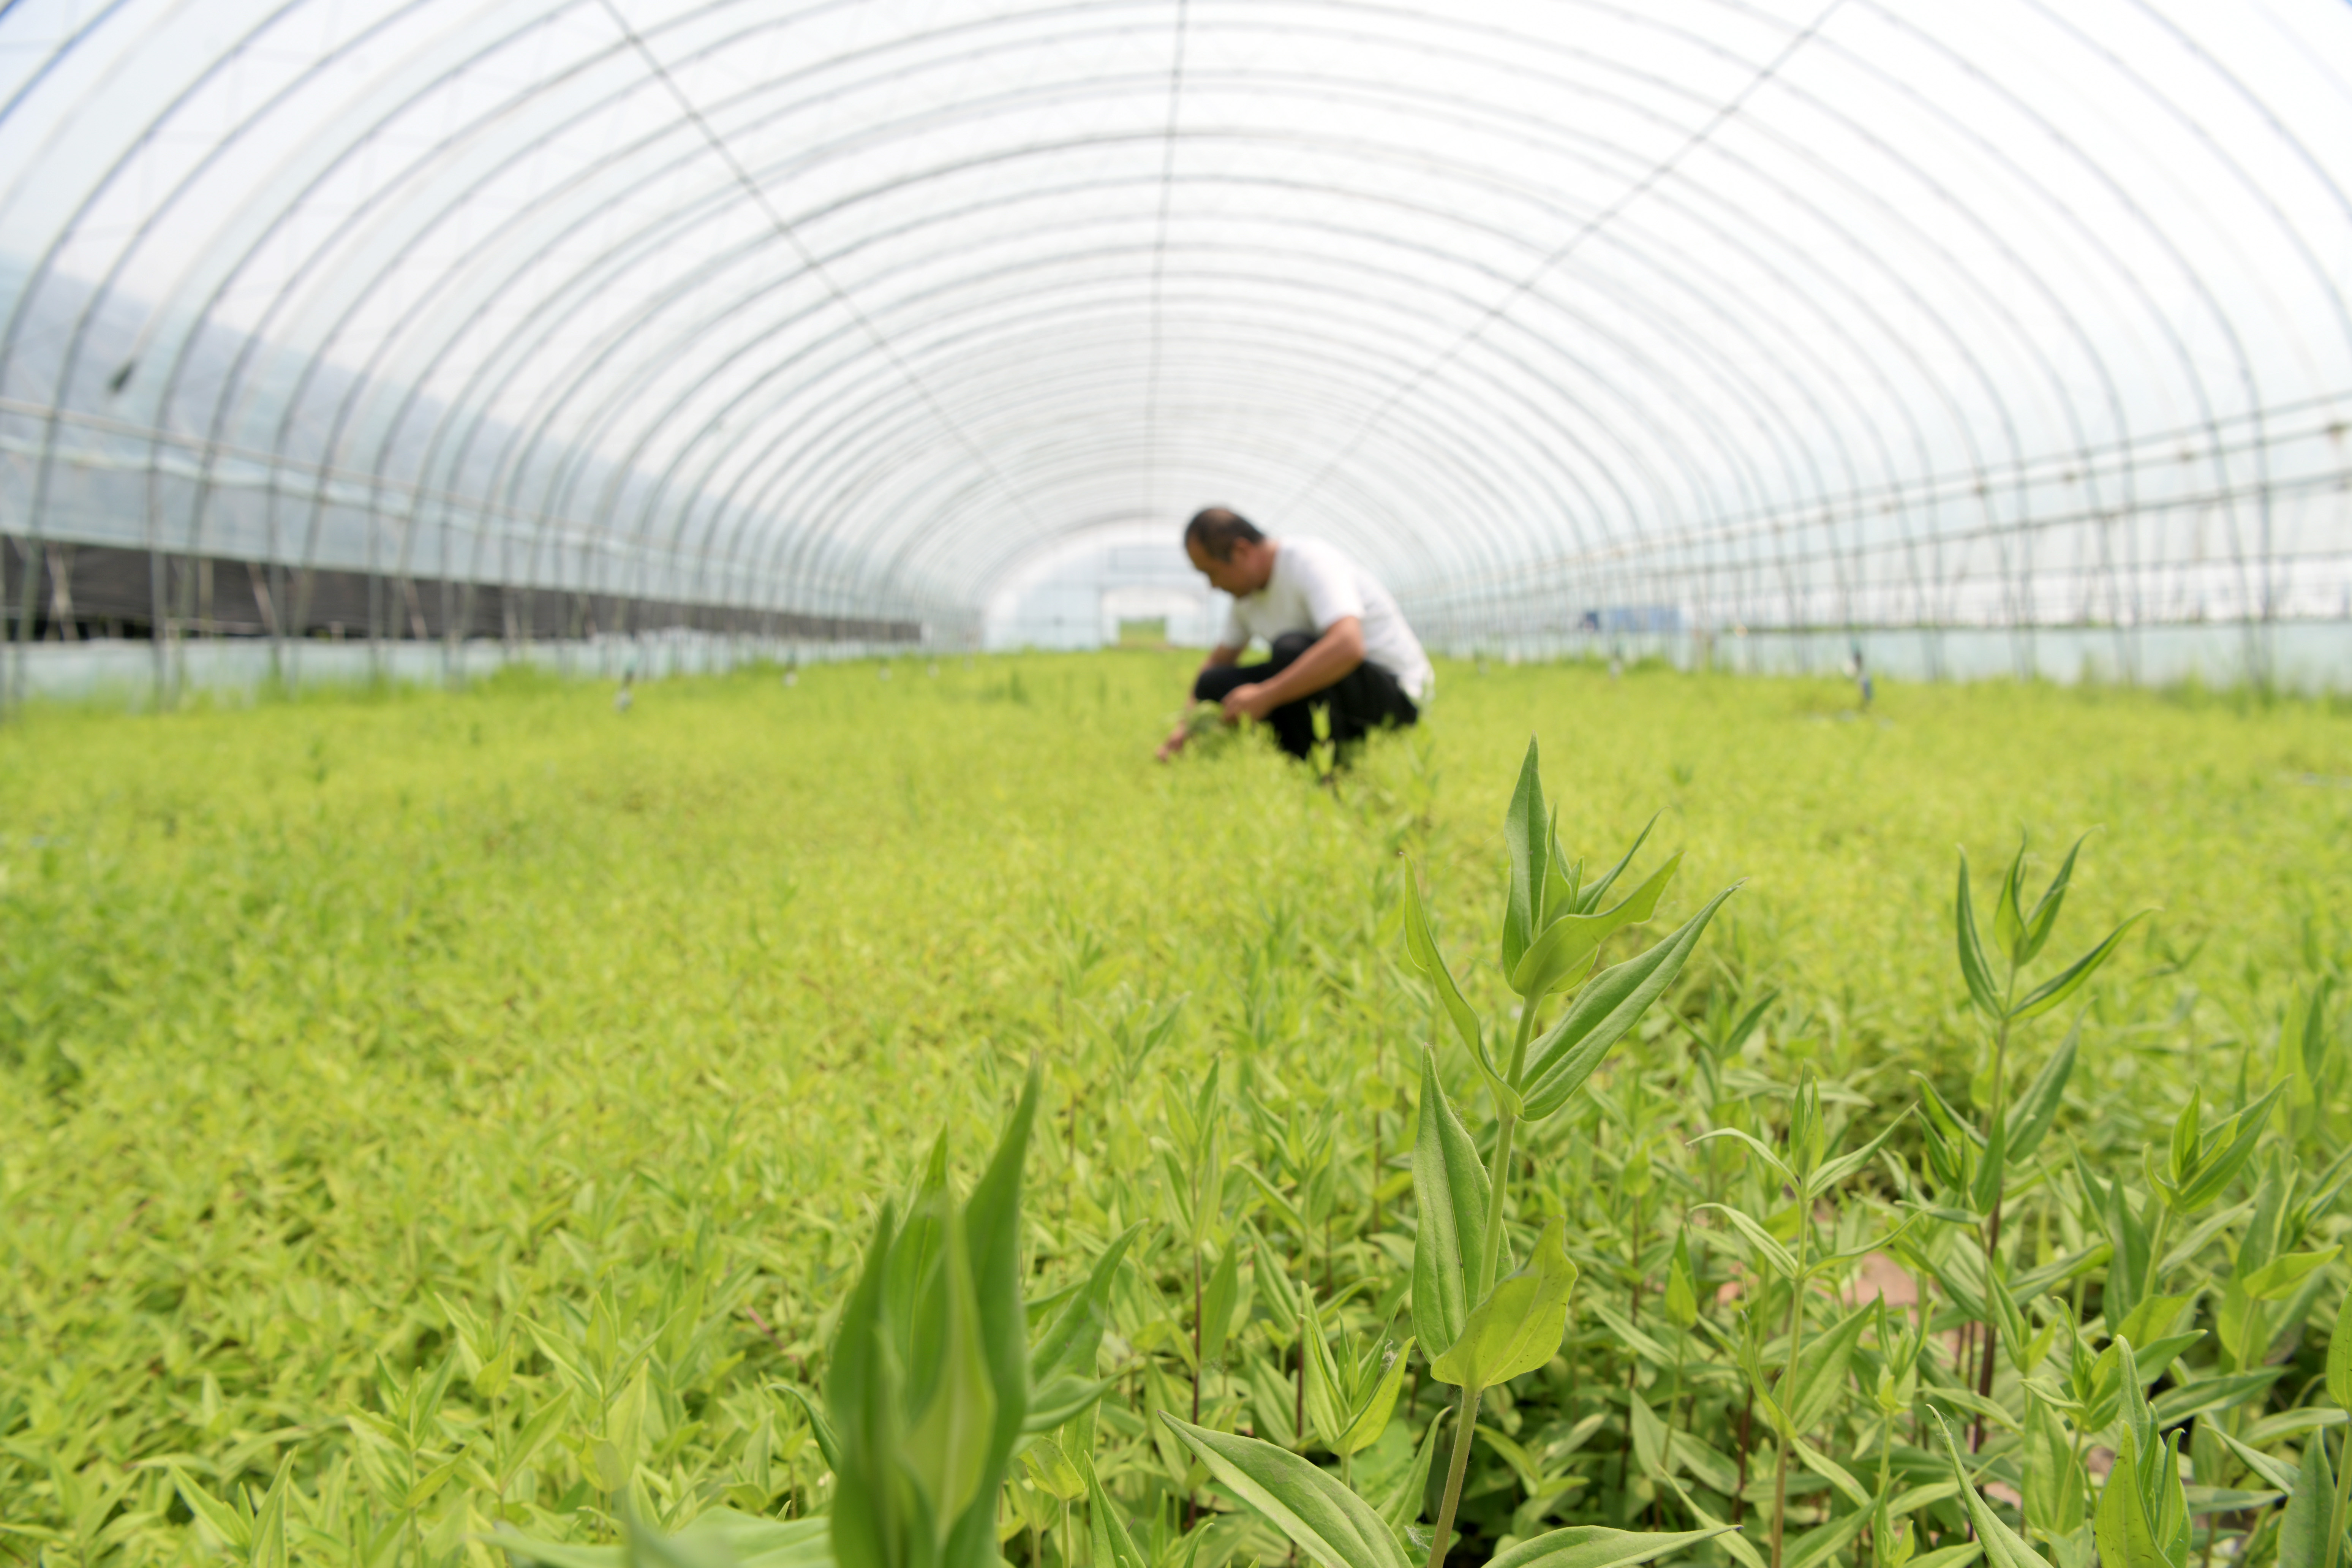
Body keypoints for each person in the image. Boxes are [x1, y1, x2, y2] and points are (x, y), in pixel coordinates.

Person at [1156, 507, 1433, 762]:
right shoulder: (1247, 599)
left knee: (1290, 651)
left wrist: (1265, 696)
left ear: (1241, 552)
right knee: (1214, 682)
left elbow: (1349, 645)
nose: (1213, 586)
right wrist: (1186, 725)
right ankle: (1295, 757)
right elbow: (1218, 662)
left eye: (1212, 573)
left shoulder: (1309, 561)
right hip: (1334, 693)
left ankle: (1325, 770)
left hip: (1394, 696)